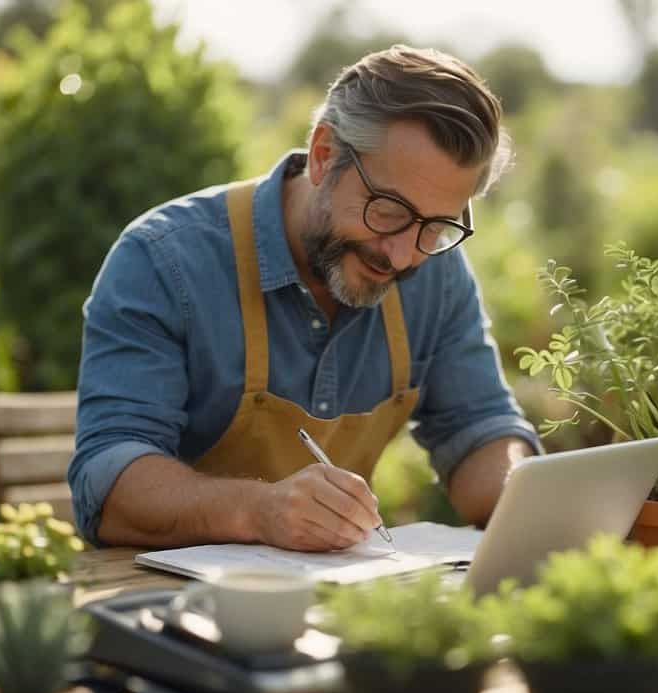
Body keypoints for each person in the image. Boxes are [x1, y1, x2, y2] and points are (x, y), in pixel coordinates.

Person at [68, 45, 541, 552]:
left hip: (339, 600)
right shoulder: (165, 259)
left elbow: (478, 429)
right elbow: (107, 481)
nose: (403, 255)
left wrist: (533, 491)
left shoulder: (438, 274)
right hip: (163, 607)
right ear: (323, 155)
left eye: (436, 226)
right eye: (388, 210)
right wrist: (262, 510)